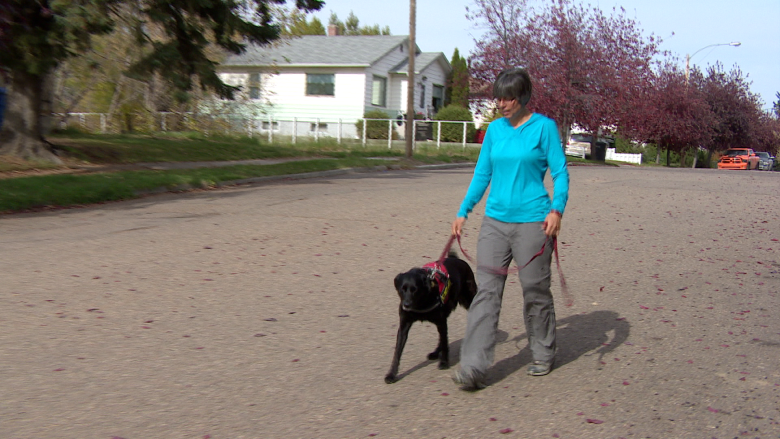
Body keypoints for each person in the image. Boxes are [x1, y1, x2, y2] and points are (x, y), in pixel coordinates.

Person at [450, 67, 569, 390]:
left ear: (523, 97)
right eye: (498, 98)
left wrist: (557, 210)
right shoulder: (494, 131)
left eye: (508, 98)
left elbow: (560, 173)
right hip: (495, 222)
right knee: (486, 293)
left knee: (535, 290)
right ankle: (473, 367)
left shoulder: (544, 128)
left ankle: (543, 352)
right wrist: (464, 211)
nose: (501, 104)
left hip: (534, 221)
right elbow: (482, 174)